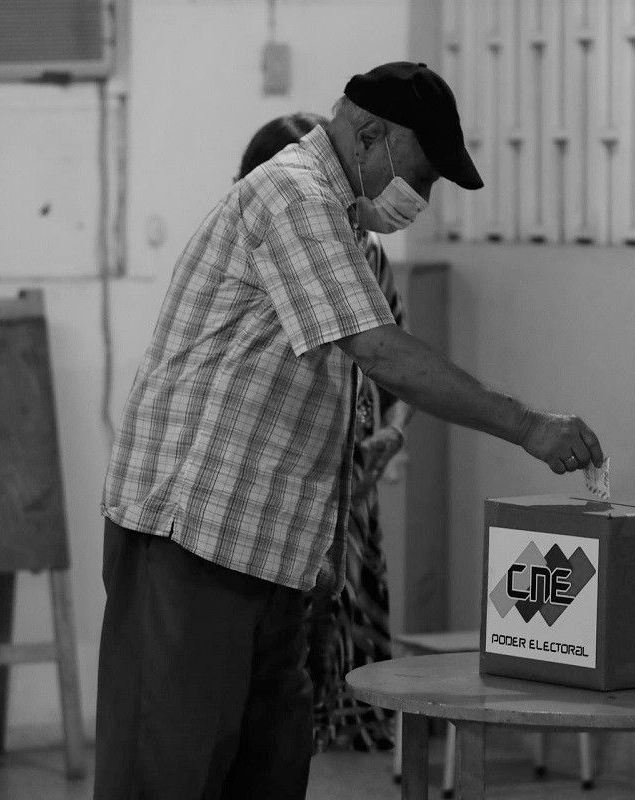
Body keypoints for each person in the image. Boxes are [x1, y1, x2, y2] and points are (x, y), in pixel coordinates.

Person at [95, 61, 605, 800]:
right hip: (192, 546)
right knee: (168, 776)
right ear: (368, 133)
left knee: (265, 775)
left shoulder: (351, 240)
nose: (420, 200)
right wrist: (528, 426)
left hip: (277, 563)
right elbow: (380, 351)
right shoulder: (289, 194)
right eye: (421, 176)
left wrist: (325, 564)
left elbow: (351, 396)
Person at [238, 111, 408, 754]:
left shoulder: (368, 256)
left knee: (347, 673)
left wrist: (390, 437)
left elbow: (398, 373)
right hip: (277, 494)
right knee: (278, 686)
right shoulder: (256, 248)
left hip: (352, 500)